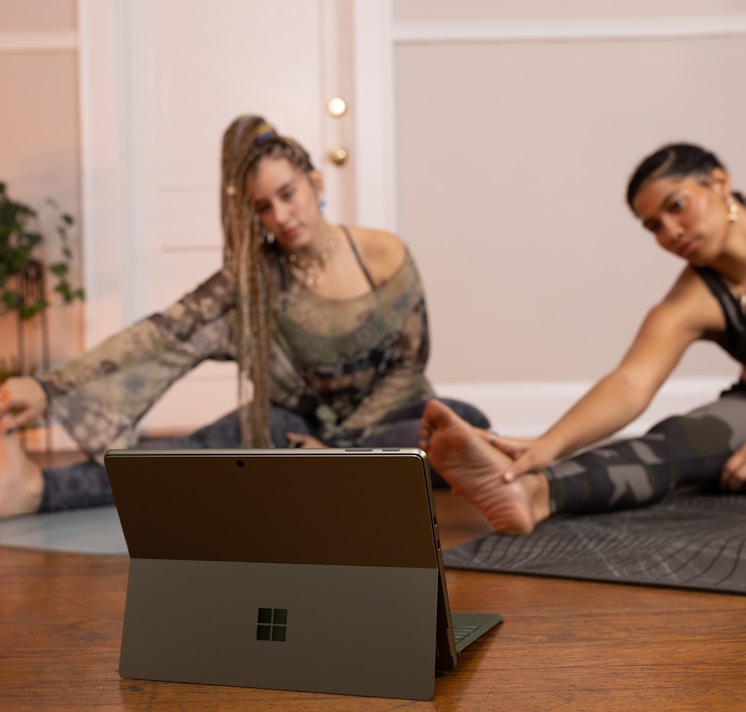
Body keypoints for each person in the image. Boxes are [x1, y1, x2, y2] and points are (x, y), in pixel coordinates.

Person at [0, 114, 489, 518]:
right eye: (263, 207)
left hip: (385, 423)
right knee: (199, 451)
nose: (280, 216)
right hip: (293, 433)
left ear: (316, 183)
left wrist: (338, 451)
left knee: (463, 423)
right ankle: (40, 491)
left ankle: (336, 470)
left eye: (288, 193)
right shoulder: (251, 282)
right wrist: (48, 388)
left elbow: (408, 367)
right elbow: (159, 336)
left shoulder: (383, 254)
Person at [420, 142, 746, 535]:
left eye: (676, 206)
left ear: (720, 182)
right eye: (654, 226)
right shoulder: (691, 300)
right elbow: (630, 383)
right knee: (677, 441)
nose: (671, 232)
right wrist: (546, 446)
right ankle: (535, 493)